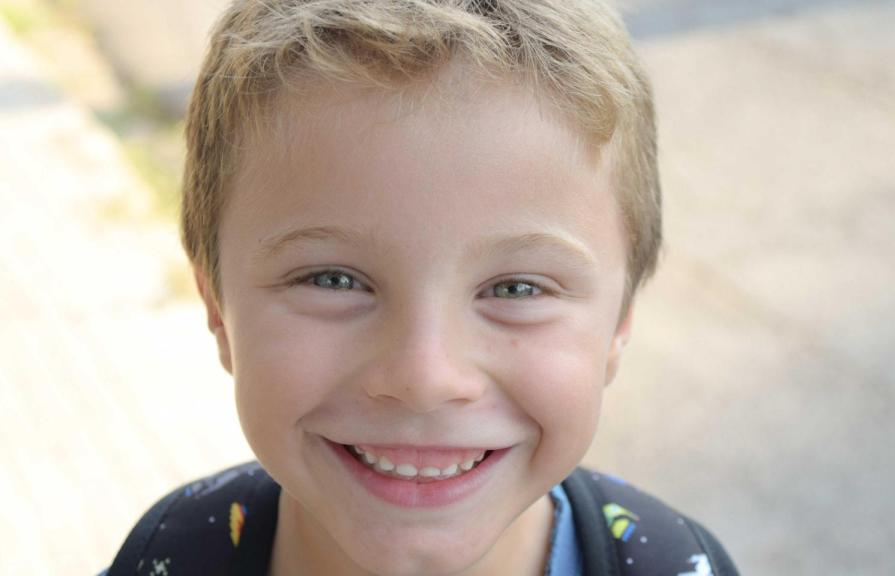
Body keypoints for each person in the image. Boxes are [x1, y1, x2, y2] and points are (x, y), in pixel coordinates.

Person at [104, 1, 740, 574]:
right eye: (334, 280)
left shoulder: (673, 564)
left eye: (517, 289)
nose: (423, 377)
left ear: (620, 321)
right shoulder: (169, 554)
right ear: (217, 307)